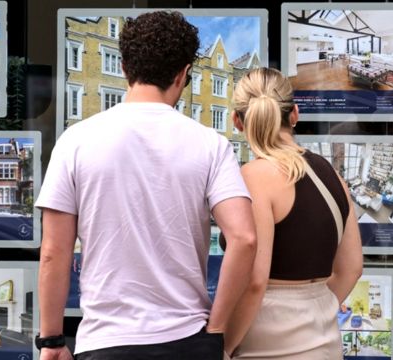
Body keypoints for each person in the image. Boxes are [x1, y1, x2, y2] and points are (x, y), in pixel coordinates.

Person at [35, 11, 257, 360]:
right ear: (184, 74)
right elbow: (244, 238)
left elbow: (53, 252)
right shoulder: (212, 144)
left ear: (123, 67)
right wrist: (216, 329)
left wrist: (50, 341)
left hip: (106, 343)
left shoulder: (74, 141)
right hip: (188, 340)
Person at [223, 68, 363, 359]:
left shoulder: (253, 176)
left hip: (264, 342)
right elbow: (352, 268)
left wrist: (223, 346)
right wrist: (314, 312)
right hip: (325, 342)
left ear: (237, 121)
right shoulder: (331, 174)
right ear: (295, 114)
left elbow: (255, 282)